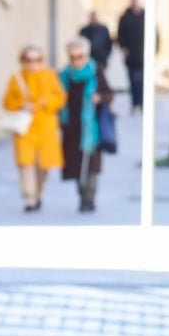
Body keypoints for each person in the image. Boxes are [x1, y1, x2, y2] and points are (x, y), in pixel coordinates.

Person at [2, 44, 66, 212]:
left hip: (45, 126)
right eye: (28, 60)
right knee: (25, 163)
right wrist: (21, 104)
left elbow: (60, 97)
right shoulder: (16, 78)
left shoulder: (50, 75)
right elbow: (7, 102)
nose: (32, 64)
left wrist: (47, 102)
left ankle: (38, 194)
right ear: (22, 60)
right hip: (24, 128)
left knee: (43, 165)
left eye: (37, 60)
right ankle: (29, 198)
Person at [57, 37, 113, 213]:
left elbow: (109, 94)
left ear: (86, 55)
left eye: (79, 56)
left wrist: (99, 98)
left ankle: (90, 199)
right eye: (72, 57)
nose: (76, 61)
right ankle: (81, 197)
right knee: (75, 166)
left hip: (91, 127)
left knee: (92, 166)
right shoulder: (64, 75)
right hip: (71, 128)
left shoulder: (96, 72)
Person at [116, 0, 146, 112]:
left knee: (143, 81)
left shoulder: (145, 16)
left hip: (143, 56)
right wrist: (123, 48)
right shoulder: (125, 18)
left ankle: (143, 103)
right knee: (133, 82)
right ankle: (135, 104)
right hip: (130, 57)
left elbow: (155, 34)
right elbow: (120, 35)